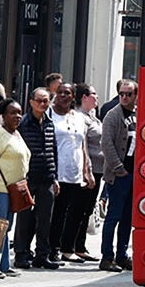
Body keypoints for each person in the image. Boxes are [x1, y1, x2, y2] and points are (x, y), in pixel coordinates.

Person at [13, 88, 60, 270]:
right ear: (31, 101)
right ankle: (22, 254)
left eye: (46, 101)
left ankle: (42, 254)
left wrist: (55, 177)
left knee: (45, 218)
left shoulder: (49, 122)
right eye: (39, 100)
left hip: (47, 177)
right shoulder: (23, 123)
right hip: (28, 176)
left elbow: (53, 150)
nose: (42, 104)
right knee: (25, 217)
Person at [48, 82, 94, 263]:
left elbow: (82, 146)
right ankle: (53, 248)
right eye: (60, 93)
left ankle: (69, 248)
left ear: (73, 96)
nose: (63, 96)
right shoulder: (49, 115)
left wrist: (87, 171)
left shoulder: (78, 117)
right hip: (57, 172)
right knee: (57, 213)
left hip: (75, 172)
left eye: (67, 93)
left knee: (75, 213)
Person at [0, 98, 28, 278]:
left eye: (19, 113)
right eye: (12, 113)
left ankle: (4, 265)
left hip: (14, 188)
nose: (17, 116)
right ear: (3, 116)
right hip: (0, 188)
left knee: (6, 227)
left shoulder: (16, 134)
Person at [100, 79, 137, 272]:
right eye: (121, 94)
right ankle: (107, 257)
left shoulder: (139, 113)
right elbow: (106, 144)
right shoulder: (112, 116)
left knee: (127, 218)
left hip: (135, 174)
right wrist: (118, 167)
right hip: (119, 174)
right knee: (113, 217)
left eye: (128, 94)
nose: (124, 97)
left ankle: (122, 255)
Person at [73, 83, 103, 261]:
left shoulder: (92, 116)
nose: (96, 97)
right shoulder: (81, 118)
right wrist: (87, 169)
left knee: (89, 208)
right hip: (88, 170)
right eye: (93, 94)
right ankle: (77, 244)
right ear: (84, 97)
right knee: (82, 208)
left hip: (99, 169)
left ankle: (79, 244)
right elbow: (82, 144)